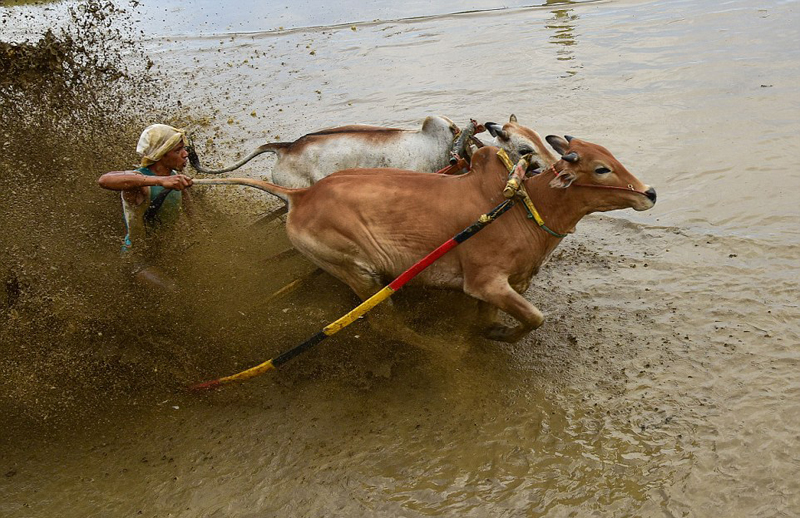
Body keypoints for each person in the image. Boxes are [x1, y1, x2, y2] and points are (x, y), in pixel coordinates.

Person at [98, 124, 194, 290]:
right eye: (178, 150)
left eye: (184, 148)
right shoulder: (140, 181)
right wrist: (161, 181)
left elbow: (195, 222)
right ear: (161, 155)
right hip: (136, 261)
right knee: (174, 291)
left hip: (165, 256)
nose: (185, 154)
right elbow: (104, 180)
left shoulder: (177, 179)